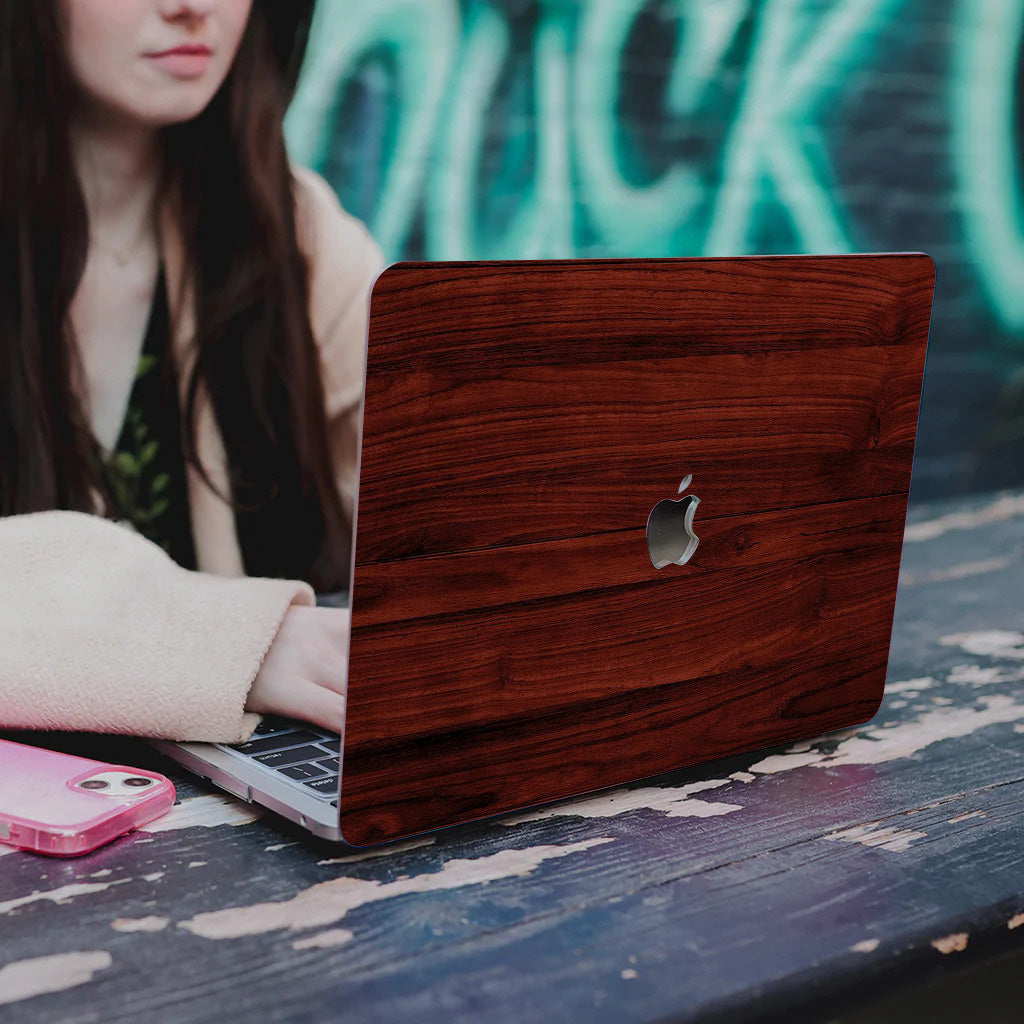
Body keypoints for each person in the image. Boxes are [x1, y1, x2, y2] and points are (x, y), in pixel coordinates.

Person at [0, 1, 384, 743]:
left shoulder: (294, 232)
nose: (191, 6)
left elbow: (443, 494)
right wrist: (237, 641)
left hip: (255, 834)